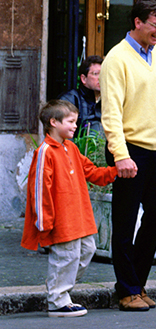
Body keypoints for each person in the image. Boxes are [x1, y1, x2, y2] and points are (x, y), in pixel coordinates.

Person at [100, 0, 156, 312]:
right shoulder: (116, 59)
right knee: (124, 221)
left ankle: (135, 282)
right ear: (137, 22)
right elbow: (110, 114)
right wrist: (120, 155)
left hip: (155, 148)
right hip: (128, 149)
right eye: (155, 25)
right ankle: (127, 289)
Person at [21, 100, 118, 317]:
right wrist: (44, 220)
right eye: (71, 121)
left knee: (85, 252)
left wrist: (115, 171)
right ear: (54, 122)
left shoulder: (71, 147)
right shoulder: (45, 151)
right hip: (60, 219)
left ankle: (58, 286)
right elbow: (38, 188)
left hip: (79, 217)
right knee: (67, 257)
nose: (76, 125)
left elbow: (92, 172)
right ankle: (57, 300)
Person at [60, 57, 102, 139]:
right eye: (96, 74)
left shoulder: (109, 99)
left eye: (103, 74)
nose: (100, 78)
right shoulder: (71, 99)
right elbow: (63, 134)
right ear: (83, 79)